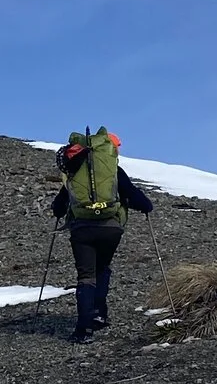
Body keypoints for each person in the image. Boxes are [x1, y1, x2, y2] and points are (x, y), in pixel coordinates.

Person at [48, 126, 153, 342]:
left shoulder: (74, 171)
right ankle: (99, 314)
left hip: (82, 230)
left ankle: (83, 330)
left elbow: (59, 206)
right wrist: (146, 207)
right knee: (102, 268)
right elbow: (135, 196)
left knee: (86, 276)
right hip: (110, 228)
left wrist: (59, 211)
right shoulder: (113, 171)